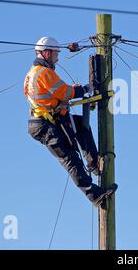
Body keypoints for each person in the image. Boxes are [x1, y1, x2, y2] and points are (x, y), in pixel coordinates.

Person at [24, 36, 117, 206]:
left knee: (82, 126)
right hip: (46, 124)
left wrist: (76, 91)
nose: (57, 58)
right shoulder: (44, 73)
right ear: (46, 53)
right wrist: (84, 89)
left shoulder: (34, 73)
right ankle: (94, 195)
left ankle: (94, 162)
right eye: (55, 54)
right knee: (70, 158)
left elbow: (58, 93)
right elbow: (66, 93)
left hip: (47, 120)